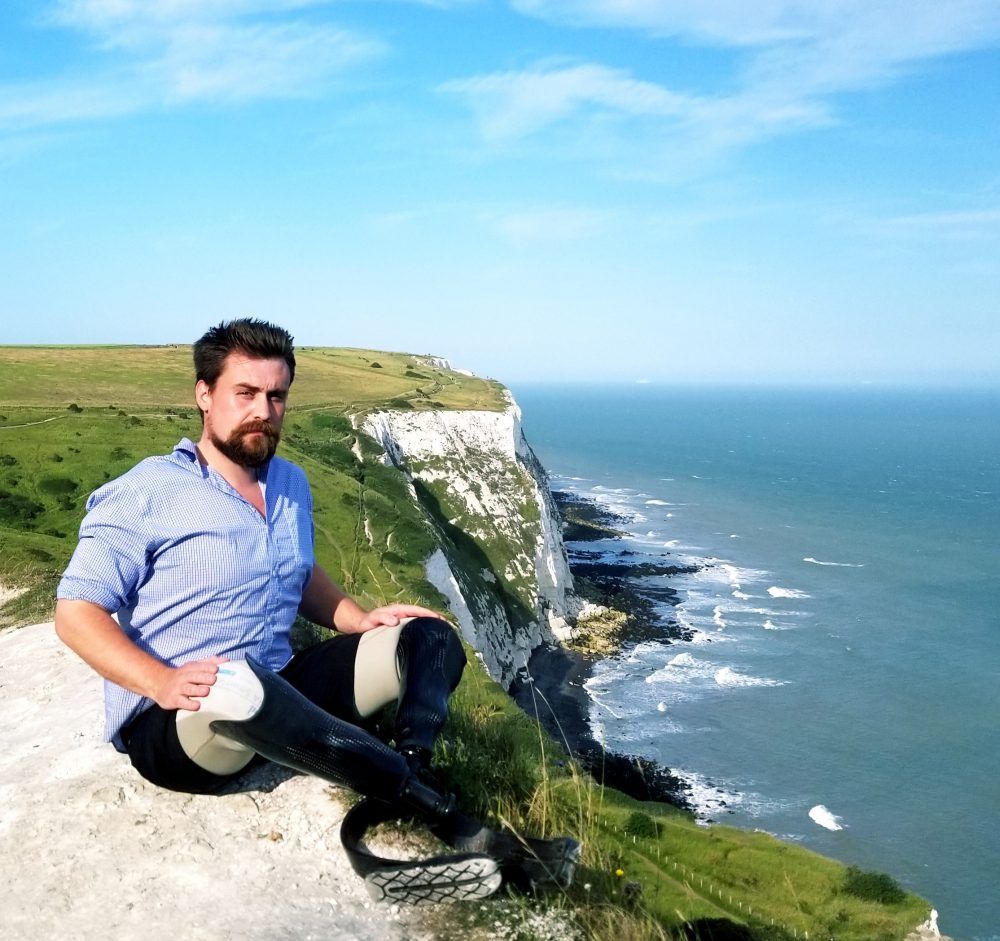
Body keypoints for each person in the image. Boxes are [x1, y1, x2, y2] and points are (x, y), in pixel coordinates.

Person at [55, 318, 577, 902]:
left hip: (280, 685)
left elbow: (297, 573)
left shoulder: (289, 484)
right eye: (245, 393)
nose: (263, 411)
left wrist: (357, 619)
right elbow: (76, 612)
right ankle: (456, 824)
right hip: (181, 721)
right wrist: (161, 681)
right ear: (204, 395)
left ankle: (408, 765)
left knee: (427, 636)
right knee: (239, 683)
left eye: (276, 396)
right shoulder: (148, 491)